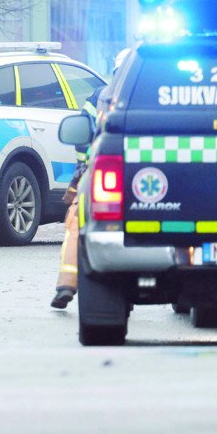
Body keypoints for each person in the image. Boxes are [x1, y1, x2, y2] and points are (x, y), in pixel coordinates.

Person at [51, 47, 130, 309]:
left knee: (77, 225)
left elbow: (82, 136)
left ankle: (66, 284)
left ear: (116, 71)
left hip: (102, 176)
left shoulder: (100, 97)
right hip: (150, 180)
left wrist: (84, 168)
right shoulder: (156, 93)